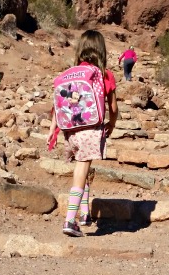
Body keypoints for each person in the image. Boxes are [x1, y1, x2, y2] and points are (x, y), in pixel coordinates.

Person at [47, 29, 118, 237]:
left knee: (83, 164)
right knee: (82, 166)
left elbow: (57, 105)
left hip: (71, 129)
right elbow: (113, 107)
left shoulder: (72, 73)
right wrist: (111, 124)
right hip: (90, 129)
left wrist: (53, 128)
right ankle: (70, 220)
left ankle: (85, 213)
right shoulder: (104, 74)